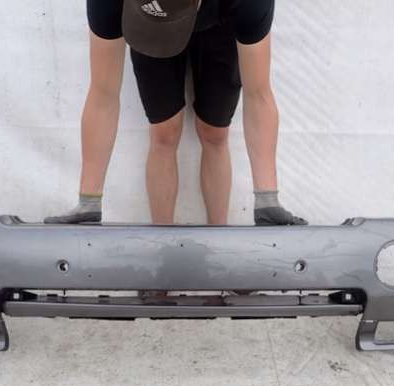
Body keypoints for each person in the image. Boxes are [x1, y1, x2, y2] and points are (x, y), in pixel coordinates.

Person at [45, 0, 307, 226]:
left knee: (214, 133)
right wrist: (88, 203)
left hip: (220, 25)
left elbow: (258, 94)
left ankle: (220, 244)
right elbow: (103, 94)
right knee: (164, 132)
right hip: (147, 23)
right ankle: (163, 244)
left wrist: (267, 201)